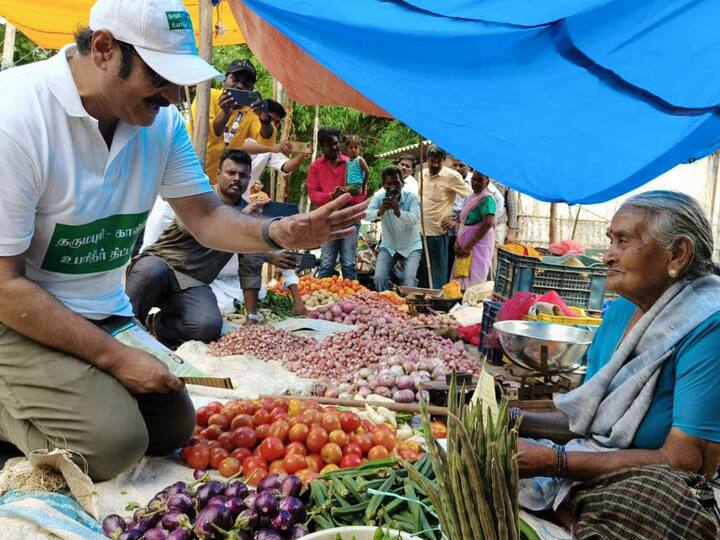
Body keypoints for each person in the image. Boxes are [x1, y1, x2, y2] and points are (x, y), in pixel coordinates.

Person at [0, 0, 365, 481]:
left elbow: (206, 215)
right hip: (17, 315)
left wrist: (277, 230)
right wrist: (114, 357)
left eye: (179, 80)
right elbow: (6, 287)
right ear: (106, 49)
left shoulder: (159, 124)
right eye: (159, 77)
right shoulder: (16, 116)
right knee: (112, 446)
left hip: (98, 311)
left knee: (172, 428)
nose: (172, 95)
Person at [514, 191, 720, 538]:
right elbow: (587, 416)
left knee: (654, 510)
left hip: (660, 484)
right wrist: (515, 420)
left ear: (678, 253)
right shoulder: (622, 309)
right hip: (594, 464)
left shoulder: (708, 324)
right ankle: (569, 510)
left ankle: (570, 510)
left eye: (623, 241)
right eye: (611, 240)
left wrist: (554, 462)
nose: (608, 255)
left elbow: (688, 461)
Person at [128, 149, 306, 346]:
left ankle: (157, 324)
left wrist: (252, 317)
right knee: (149, 270)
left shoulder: (249, 214)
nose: (237, 179)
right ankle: (127, 330)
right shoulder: (198, 197)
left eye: (243, 175)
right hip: (162, 266)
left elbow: (250, 266)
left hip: (192, 282)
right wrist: (238, 219)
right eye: (231, 173)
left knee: (208, 326)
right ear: (218, 174)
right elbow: (193, 228)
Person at [188, 58, 284, 179]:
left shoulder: (251, 112)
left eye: (246, 83)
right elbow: (204, 133)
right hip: (188, 170)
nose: (239, 86)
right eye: (235, 79)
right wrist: (226, 113)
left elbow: (266, 139)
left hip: (217, 181)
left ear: (252, 89)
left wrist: (265, 120)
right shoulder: (208, 95)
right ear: (224, 80)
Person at [308, 127, 367, 280]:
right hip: (327, 221)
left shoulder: (351, 163)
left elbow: (361, 192)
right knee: (327, 263)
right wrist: (331, 196)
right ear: (321, 147)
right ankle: (321, 298)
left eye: (336, 144)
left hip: (350, 219)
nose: (335, 147)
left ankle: (351, 299)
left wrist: (345, 198)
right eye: (330, 145)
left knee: (348, 263)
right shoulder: (315, 167)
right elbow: (313, 196)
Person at [417, 145, 471, 289]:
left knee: (438, 274)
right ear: (427, 159)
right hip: (420, 231)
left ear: (444, 160)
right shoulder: (422, 174)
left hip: (439, 233)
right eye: (432, 161)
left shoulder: (452, 176)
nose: (435, 164)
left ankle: (437, 305)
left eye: (438, 161)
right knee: (422, 273)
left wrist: (457, 220)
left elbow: (473, 199)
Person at [366, 166, 422, 291]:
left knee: (409, 280)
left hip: (411, 245)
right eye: (389, 184)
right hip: (389, 245)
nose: (393, 187)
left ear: (402, 183)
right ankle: (386, 301)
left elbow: (415, 218)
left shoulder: (412, 197)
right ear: (384, 185)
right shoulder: (379, 197)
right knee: (379, 278)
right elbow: (366, 215)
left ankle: (407, 305)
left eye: (396, 183)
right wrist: (380, 211)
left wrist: (398, 211)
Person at [246, 99, 309, 200]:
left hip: (241, 196)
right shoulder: (245, 130)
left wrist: (301, 157)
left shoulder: (272, 148)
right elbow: (241, 146)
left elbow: (285, 167)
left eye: (277, 122)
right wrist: (272, 148)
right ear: (260, 116)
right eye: (269, 119)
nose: (273, 125)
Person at [449, 171, 496, 288]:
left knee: (475, 276)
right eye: (473, 179)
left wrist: (469, 245)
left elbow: (487, 223)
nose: (475, 183)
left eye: (479, 180)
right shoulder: (470, 197)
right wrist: (457, 242)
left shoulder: (488, 199)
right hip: (464, 242)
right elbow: (461, 221)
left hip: (478, 244)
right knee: (460, 275)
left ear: (487, 182)